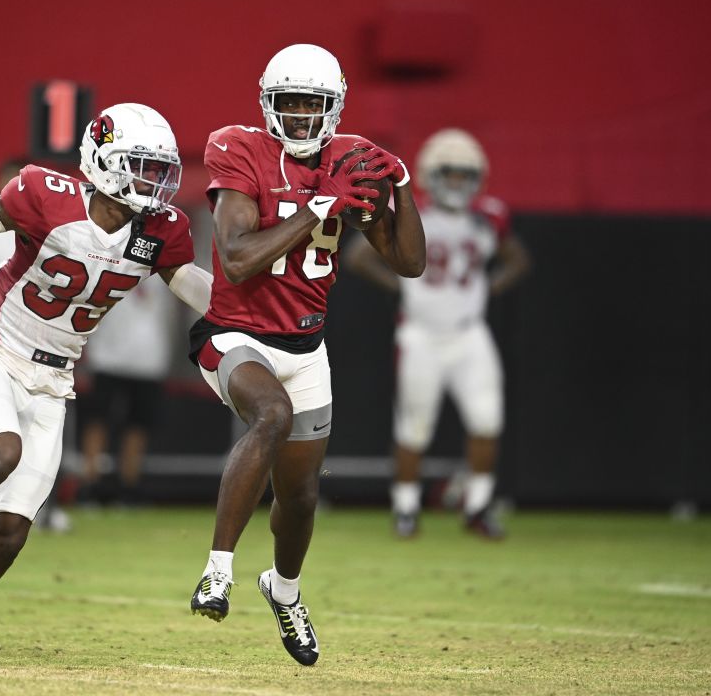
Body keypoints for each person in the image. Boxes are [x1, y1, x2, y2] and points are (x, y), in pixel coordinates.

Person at [0, 103, 213, 662]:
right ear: (103, 162)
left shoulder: (159, 231)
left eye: (159, 169)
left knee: (9, 537)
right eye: (140, 166)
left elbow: (186, 283)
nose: (153, 182)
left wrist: (248, 320)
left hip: (55, 381)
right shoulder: (45, 196)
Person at [187, 44, 425, 666]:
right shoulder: (239, 149)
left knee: (300, 498)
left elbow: (409, 262)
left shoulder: (350, 159)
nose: (297, 115)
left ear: (333, 107)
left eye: (309, 104)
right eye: (287, 102)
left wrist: (400, 185)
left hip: (306, 346)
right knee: (271, 415)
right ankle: (218, 570)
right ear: (268, 103)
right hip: (233, 332)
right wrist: (323, 205)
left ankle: (284, 589)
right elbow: (236, 259)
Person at [345, 128, 531, 540]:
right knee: (414, 426)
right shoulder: (414, 211)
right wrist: (402, 284)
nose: (456, 184)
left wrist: (488, 286)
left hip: (469, 334)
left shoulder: (490, 216)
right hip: (421, 335)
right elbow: (359, 255)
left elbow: (518, 259)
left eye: (464, 175)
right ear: (431, 175)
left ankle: (479, 505)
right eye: (448, 174)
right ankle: (406, 508)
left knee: (487, 420)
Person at [0, 159, 72, 533]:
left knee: (42, 431)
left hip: (46, 345)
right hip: (0, 339)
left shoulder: (57, 230)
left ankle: (42, 506)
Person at [76, 274, 176, 506]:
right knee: (96, 420)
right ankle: (90, 484)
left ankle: (129, 487)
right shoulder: (114, 256)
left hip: (150, 359)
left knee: (138, 424)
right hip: (106, 356)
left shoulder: (166, 266)